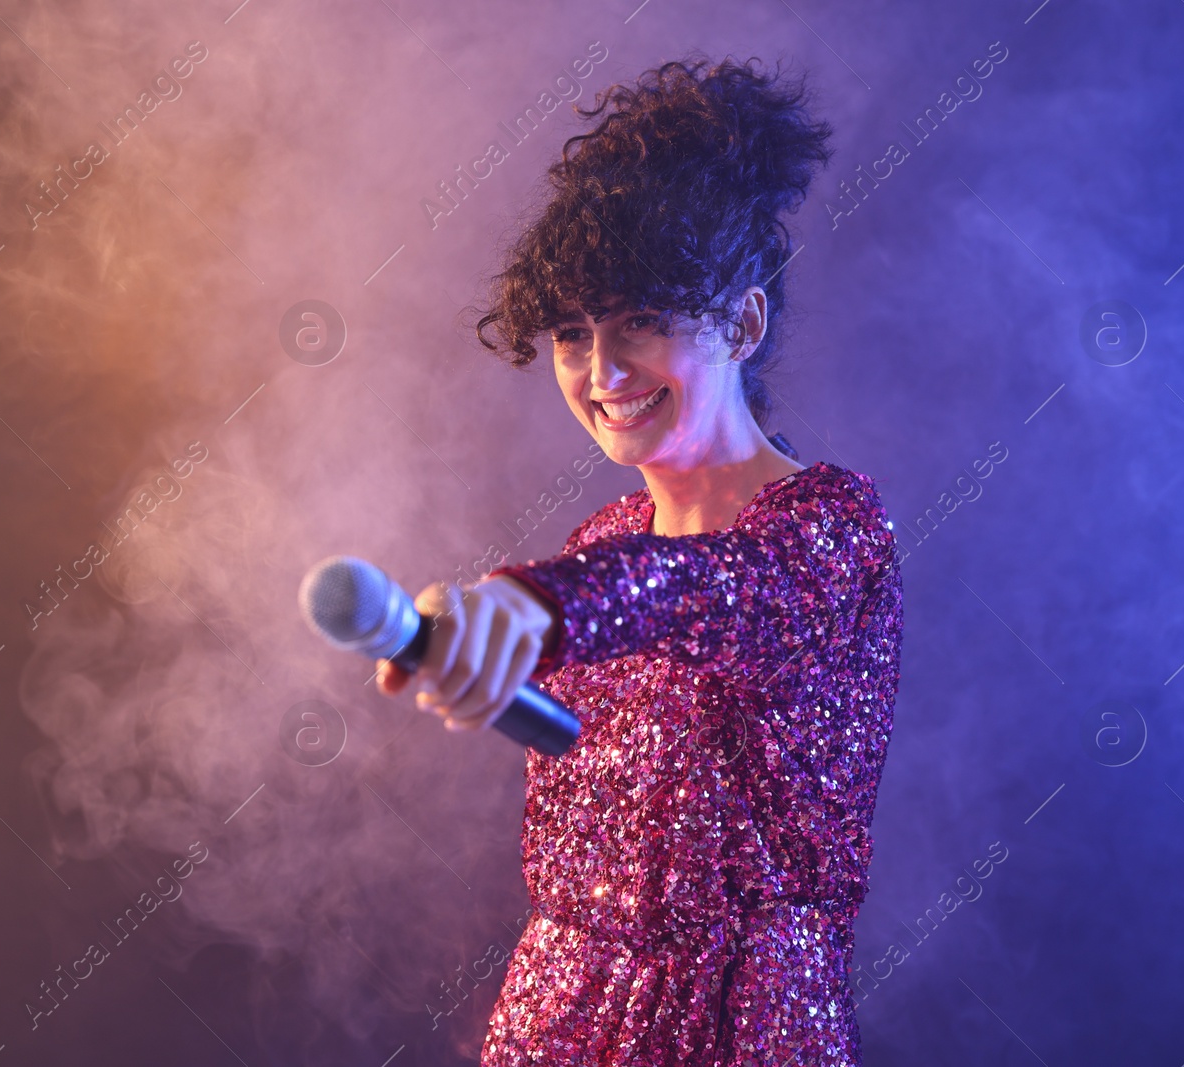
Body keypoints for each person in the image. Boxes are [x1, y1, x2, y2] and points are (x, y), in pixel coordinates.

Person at [376, 56, 903, 1066]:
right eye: (573, 333)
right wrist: (477, 659)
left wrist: (533, 608)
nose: (601, 372)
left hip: (743, 1029)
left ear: (742, 322)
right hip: (558, 1013)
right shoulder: (600, 539)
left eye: (645, 321)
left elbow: (709, 589)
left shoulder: (829, 530)